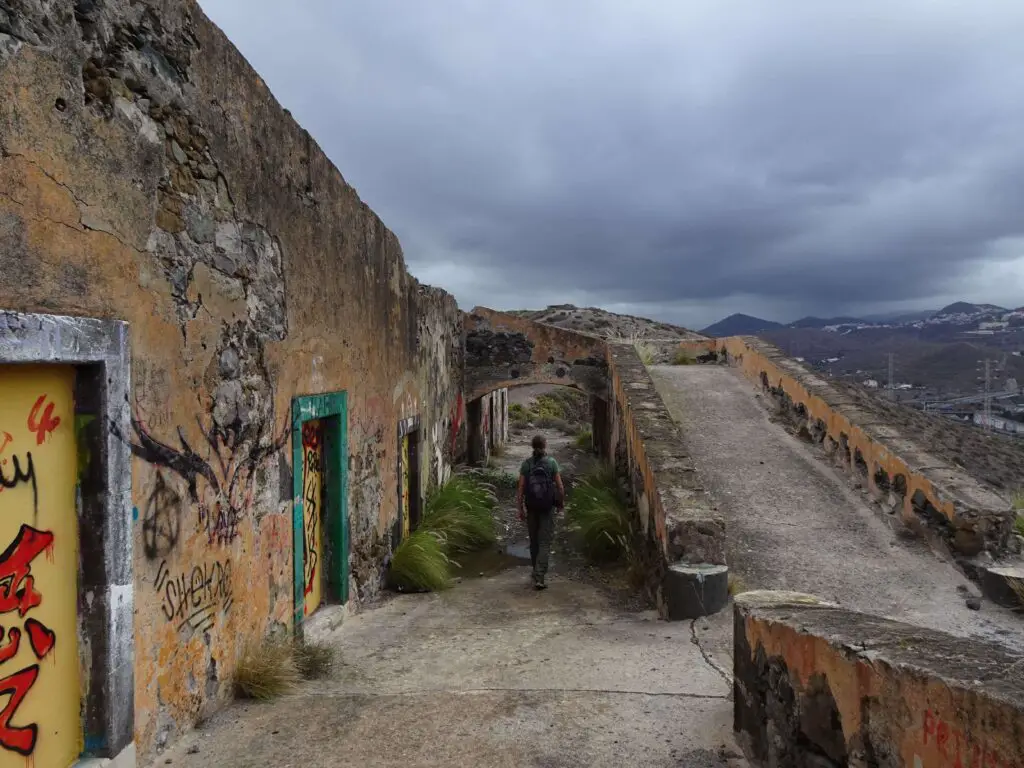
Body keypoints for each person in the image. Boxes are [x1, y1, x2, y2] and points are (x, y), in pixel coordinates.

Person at [517, 434, 565, 590]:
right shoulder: (551, 463)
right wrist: (560, 504)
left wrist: (520, 508)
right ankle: (540, 576)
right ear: (545, 446)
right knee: (545, 542)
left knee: (534, 541)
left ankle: (535, 570)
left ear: (532, 446)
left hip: (531, 507)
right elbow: (560, 487)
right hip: (547, 507)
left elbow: (521, 489)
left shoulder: (527, 464)